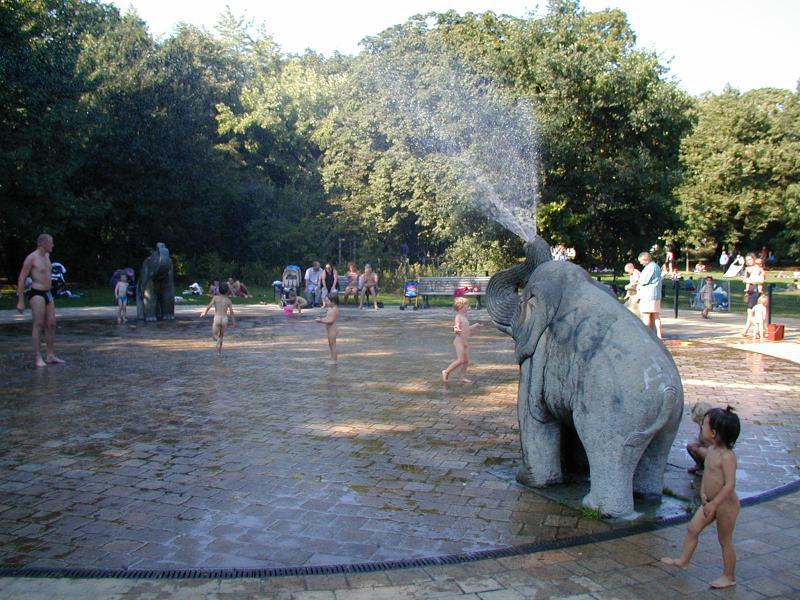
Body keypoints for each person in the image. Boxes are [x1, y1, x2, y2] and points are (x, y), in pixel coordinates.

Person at [662, 406, 741, 590]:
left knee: (725, 540)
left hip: (725, 504)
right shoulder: (712, 450)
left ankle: (729, 576)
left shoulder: (728, 457)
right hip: (709, 502)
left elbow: (729, 485)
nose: (701, 428)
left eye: (704, 425)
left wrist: (715, 503)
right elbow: (707, 473)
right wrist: (703, 493)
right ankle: (683, 560)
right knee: (692, 529)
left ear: (714, 433)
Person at [16, 233, 65, 368]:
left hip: (48, 293)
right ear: (43, 243)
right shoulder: (32, 258)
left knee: (51, 324)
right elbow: (21, 278)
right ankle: (38, 357)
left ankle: (50, 355)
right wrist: (20, 300)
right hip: (36, 292)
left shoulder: (47, 256)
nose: (53, 245)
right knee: (38, 324)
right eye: (51, 242)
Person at [442, 297, 482, 383]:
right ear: (461, 307)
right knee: (460, 360)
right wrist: (456, 329)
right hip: (459, 342)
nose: (469, 308)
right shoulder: (458, 317)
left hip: (465, 342)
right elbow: (456, 326)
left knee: (466, 361)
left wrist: (475, 326)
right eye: (467, 306)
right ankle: (446, 372)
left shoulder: (464, 317)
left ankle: (462, 377)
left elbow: (467, 328)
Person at [200, 282, 236, 353]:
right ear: (227, 291)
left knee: (214, 335)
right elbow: (231, 312)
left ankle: (218, 341)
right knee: (221, 336)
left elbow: (209, 306)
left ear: (219, 290)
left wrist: (205, 313)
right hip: (225, 319)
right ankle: (219, 352)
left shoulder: (215, 298)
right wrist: (233, 322)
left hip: (217, 318)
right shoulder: (228, 300)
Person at [637, 251, 663, 339]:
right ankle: (659, 335)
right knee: (656, 315)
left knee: (646, 315)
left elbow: (644, 281)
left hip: (648, 294)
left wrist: (638, 281)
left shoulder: (650, 267)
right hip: (656, 294)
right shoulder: (656, 266)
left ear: (646, 259)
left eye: (641, 261)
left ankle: (646, 334)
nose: (640, 263)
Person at [741, 254, 764, 336]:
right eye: (747, 260)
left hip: (755, 290)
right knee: (750, 312)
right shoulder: (747, 269)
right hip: (750, 291)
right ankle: (756, 330)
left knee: (751, 312)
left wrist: (750, 280)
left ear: (753, 259)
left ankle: (751, 330)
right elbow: (744, 280)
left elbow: (761, 280)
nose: (748, 261)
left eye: (750, 259)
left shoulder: (758, 268)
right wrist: (748, 281)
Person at [686, 401, 712, 474]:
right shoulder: (703, 426)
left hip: (714, 454)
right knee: (691, 446)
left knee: (694, 447)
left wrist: (698, 448)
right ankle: (700, 465)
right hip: (708, 451)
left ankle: (708, 469)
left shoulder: (709, 428)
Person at [315, 294, 339, 364]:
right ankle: (332, 358)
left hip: (333, 329)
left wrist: (321, 321)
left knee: (333, 345)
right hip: (329, 329)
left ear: (333, 302)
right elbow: (327, 318)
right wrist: (321, 318)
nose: (326, 302)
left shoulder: (335, 309)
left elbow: (331, 320)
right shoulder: (330, 308)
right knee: (330, 344)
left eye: (327, 301)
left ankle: (334, 360)